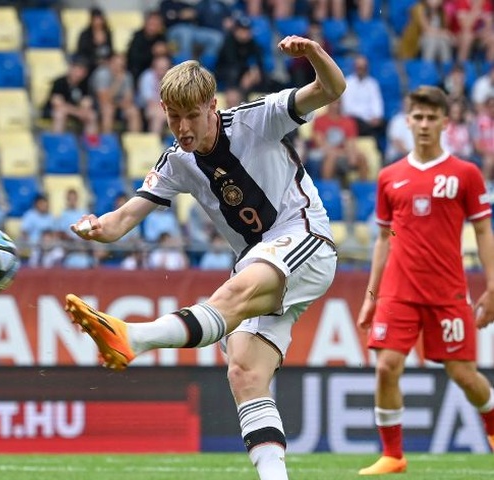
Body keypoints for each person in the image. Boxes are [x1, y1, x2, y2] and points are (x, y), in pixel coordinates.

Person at [64, 35, 346, 480]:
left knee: (235, 289)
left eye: (192, 115)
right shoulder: (178, 161)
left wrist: (313, 53)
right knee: (244, 372)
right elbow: (121, 222)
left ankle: (134, 338)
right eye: (173, 117)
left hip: (305, 239)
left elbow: (331, 90)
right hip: (259, 257)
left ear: (212, 105)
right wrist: (96, 227)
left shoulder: (259, 119)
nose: (183, 128)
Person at [356, 86, 494, 475]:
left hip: (447, 290)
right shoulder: (389, 177)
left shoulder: (465, 174)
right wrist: (372, 295)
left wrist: (493, 287)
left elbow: (483, 232)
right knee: (386, 366)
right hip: (399, 291)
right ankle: (393, 455)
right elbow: (386, 237)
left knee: (463, 375)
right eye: (418, 117)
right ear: (407, 119)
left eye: (432, 117)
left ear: (445, 123)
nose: (424, 124)